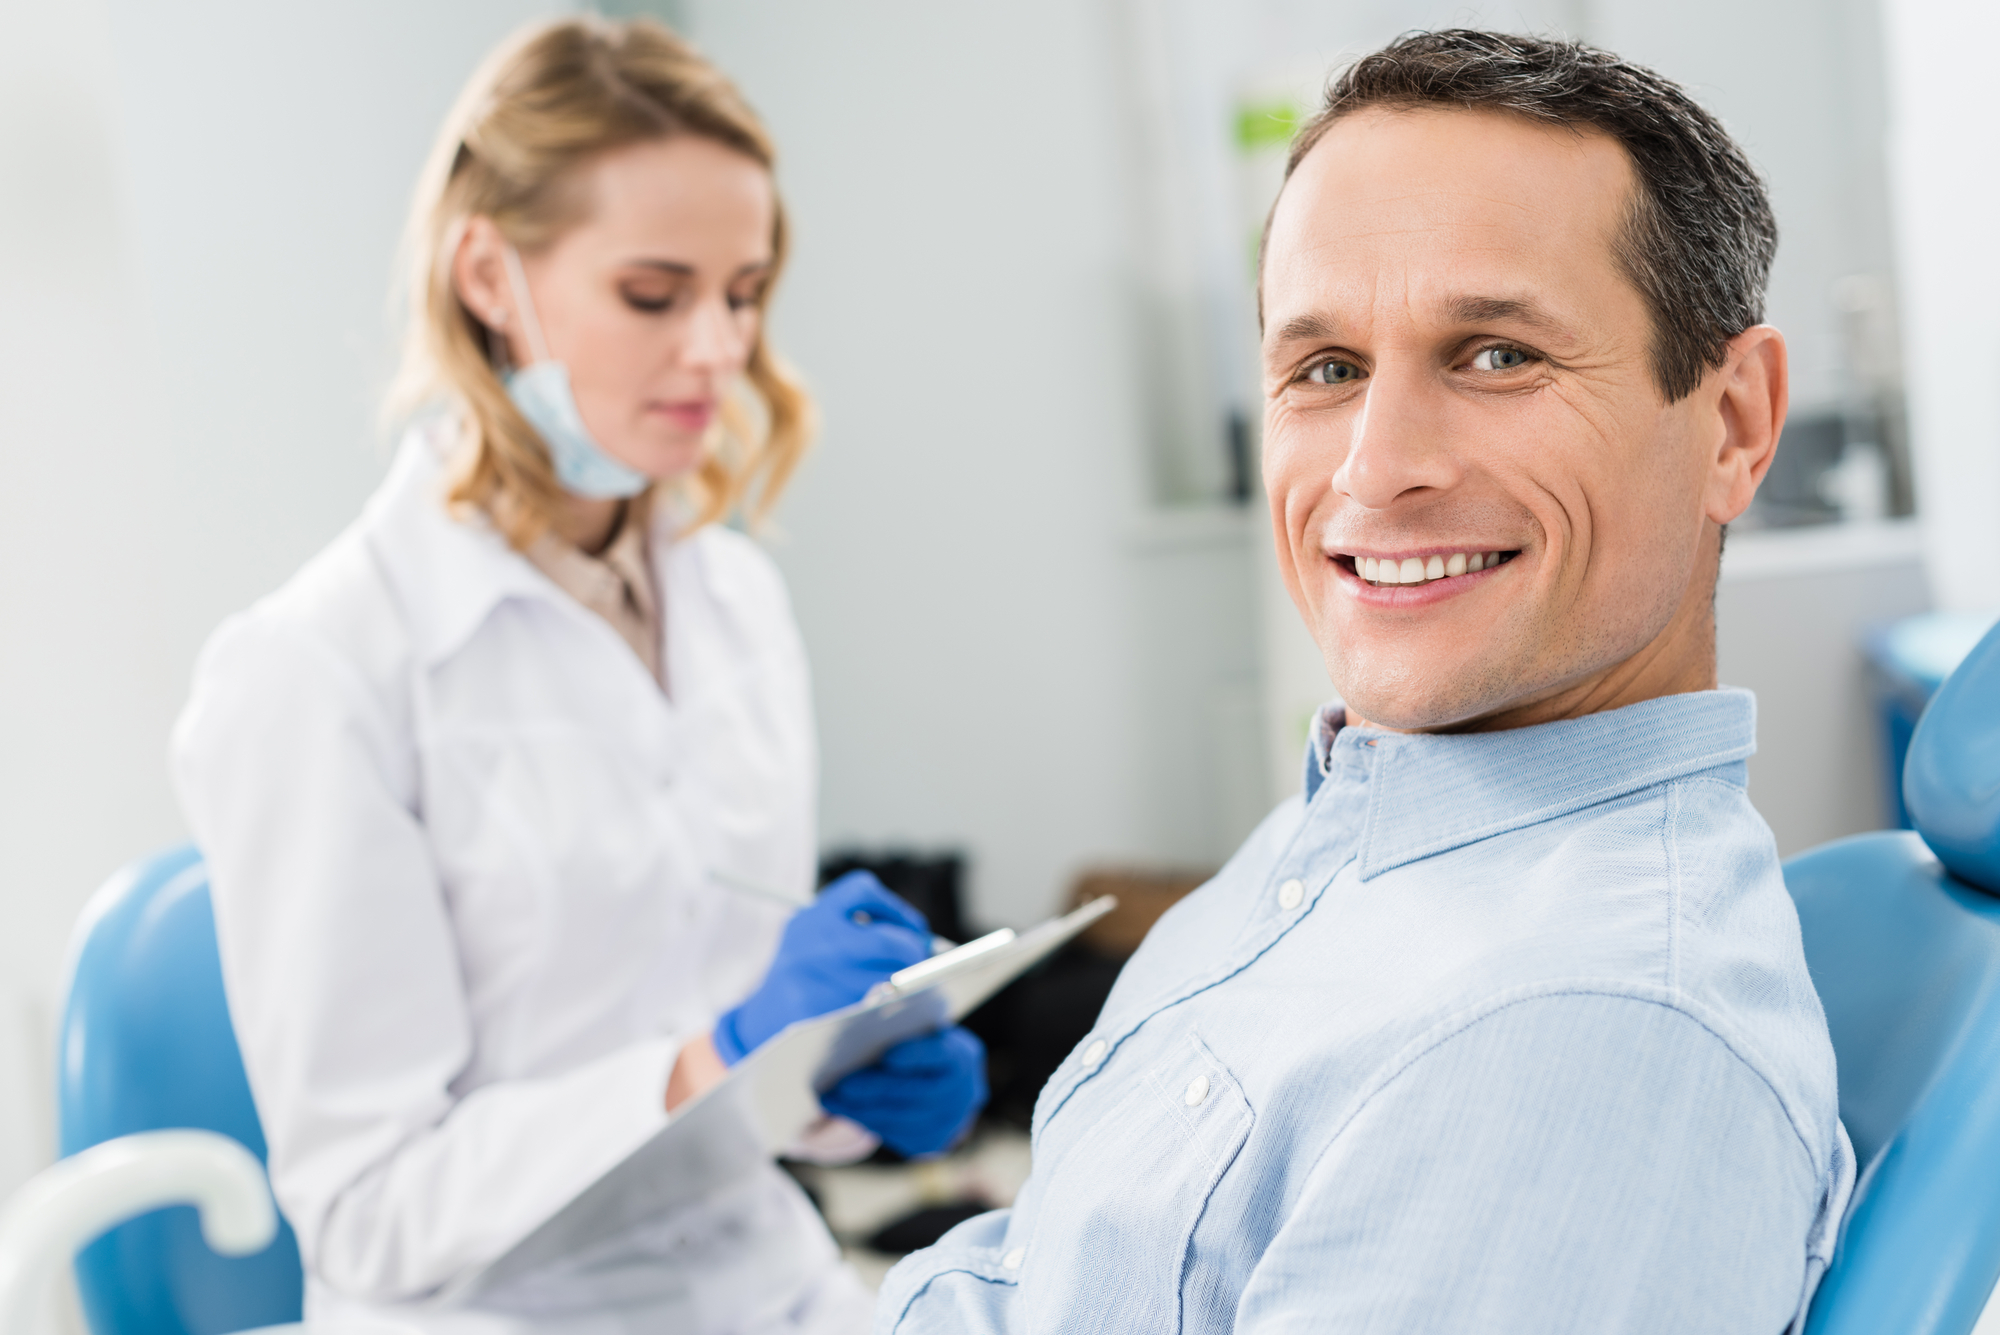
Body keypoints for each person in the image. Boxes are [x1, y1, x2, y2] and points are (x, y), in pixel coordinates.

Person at [878, 31, 1850, 1335]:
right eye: (1325, 370)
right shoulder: (1349, 832)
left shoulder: (1569, 1039)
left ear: (1732, 423)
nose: (1375, 468)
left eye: (1497, 354)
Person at [171, 17, 984, 1332]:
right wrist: (704, 1061)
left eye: (744, 292)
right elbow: (370, 1213)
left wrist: (839, 1082)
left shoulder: (736, 602)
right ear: (490, 274)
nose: (719, 350)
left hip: (763, 1278)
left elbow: (730, 1065)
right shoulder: (317, 668)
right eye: (655, 295)